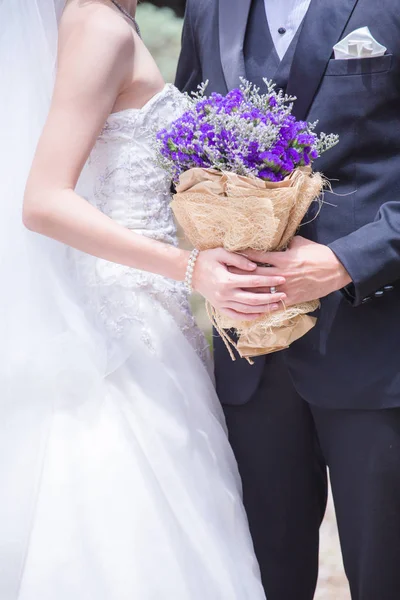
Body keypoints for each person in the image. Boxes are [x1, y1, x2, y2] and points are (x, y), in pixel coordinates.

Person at [0, 0, 288, 597]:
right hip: (122, 329)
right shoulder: (96, 24)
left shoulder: (111, 18)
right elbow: (44, 201)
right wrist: (189, 267)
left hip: (159, 316)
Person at [176, 1, 400, 599]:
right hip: (249, 356)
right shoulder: (209, 8)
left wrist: (348, 260)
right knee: (260, 580)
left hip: (377, 345)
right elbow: (184, 156)